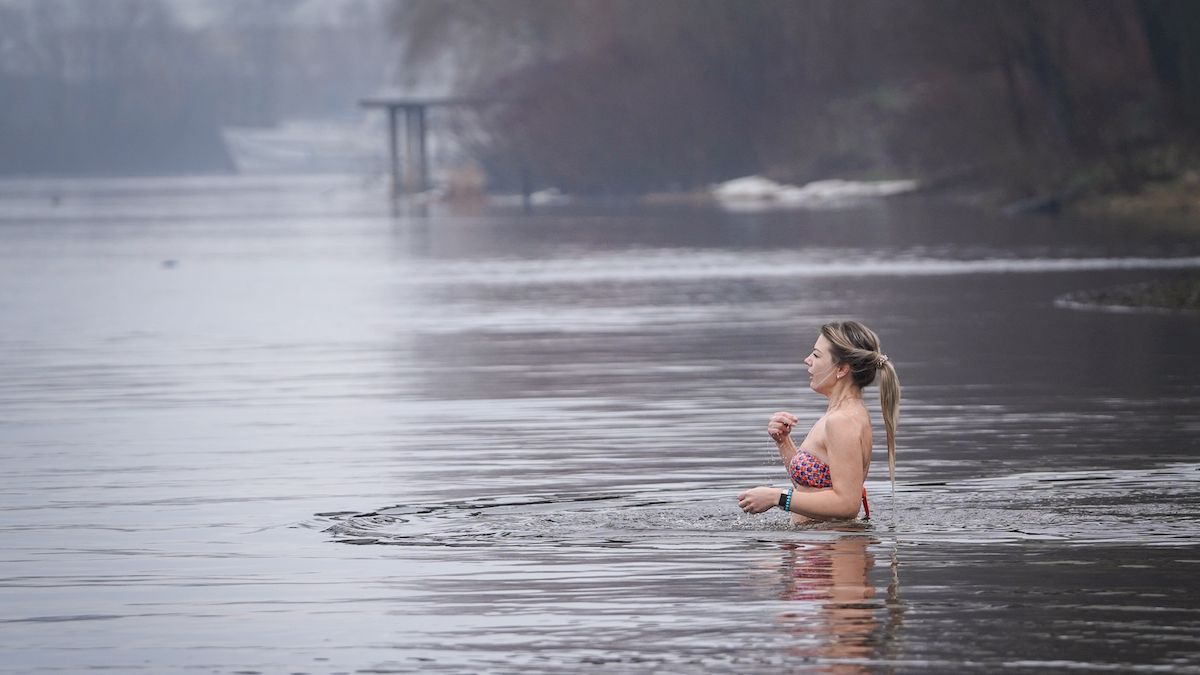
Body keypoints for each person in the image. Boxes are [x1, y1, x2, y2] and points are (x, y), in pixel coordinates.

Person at [737, 320, 900, 521]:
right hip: (820, 545)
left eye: (816, 355)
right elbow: (812, 488)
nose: (807, 360)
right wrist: (783, 441)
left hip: (833, 548)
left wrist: (776, 497)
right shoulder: (844, 414)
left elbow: (847, 504)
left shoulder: (842, 421)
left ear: (841, 369)